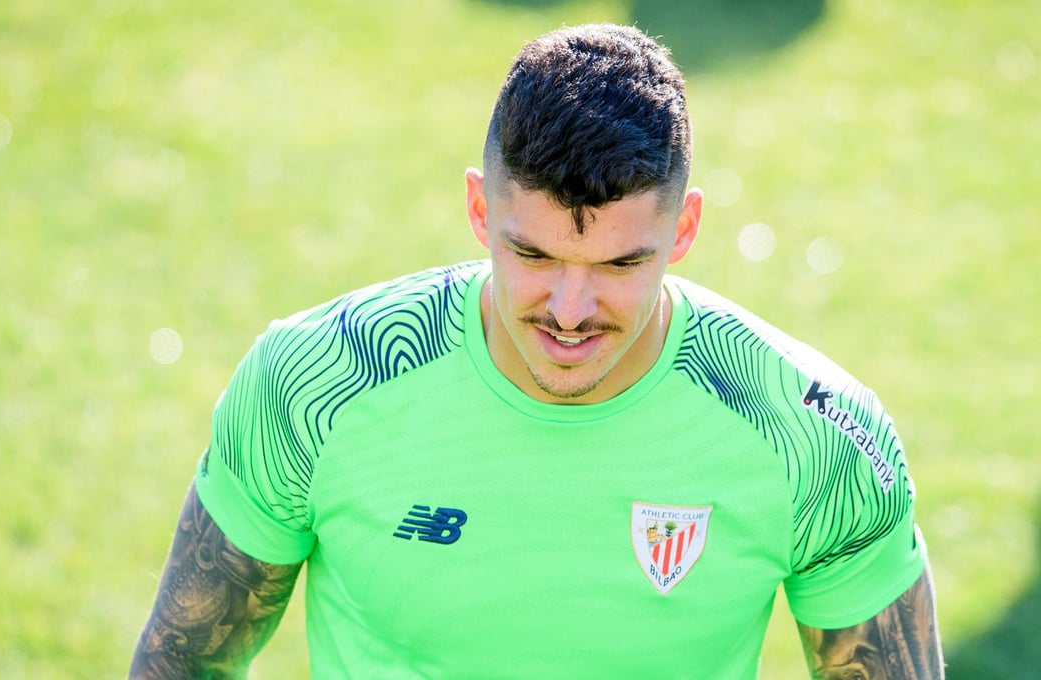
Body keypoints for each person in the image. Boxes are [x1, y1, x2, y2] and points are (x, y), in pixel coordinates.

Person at [130, 22, 944, 679]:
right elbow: (183, 660)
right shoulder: (317, 382)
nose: (570, 312)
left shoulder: (813, 434)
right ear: (480, 210)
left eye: (619, 265)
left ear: (684, 229)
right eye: (534, 254)